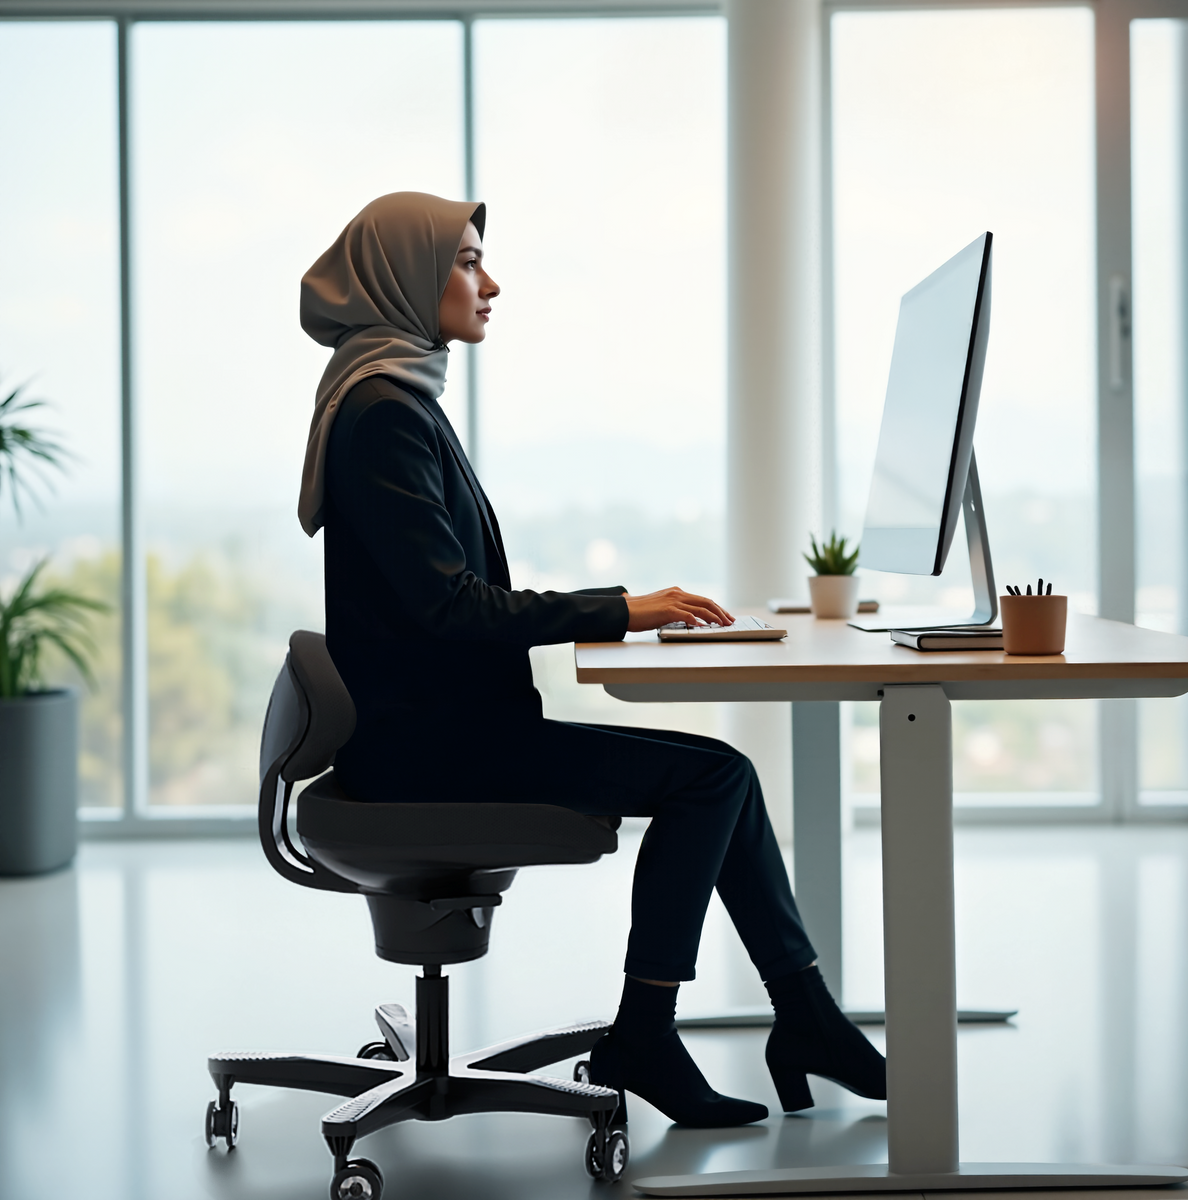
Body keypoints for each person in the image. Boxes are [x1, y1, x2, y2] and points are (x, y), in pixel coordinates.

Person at [297, 191, 886, 1128]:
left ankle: (800, 1016)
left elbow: (444, 599)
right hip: (436, 755)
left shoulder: (397, 398)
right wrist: (625, 608)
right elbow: (449, 607)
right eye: (466, 263)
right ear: (404, 278)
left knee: (723, 776)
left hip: (440, 735)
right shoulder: (384, 416)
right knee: (712, 780)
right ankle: (654, 1033)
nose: (491, 284)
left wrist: (624, 613)